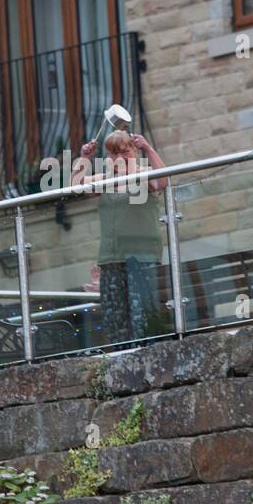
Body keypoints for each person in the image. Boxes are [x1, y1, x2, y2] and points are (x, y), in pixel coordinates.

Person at [71, 129, 168, 344]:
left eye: (124, 152)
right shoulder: (104, 180)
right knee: (115, 319)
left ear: (134, 151)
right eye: (113, 154)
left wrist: (149, 148)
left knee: (142, 315)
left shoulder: (144, 174)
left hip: (142, 256)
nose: (118, 158)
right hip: (111, 257)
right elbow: (75, 187)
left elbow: (162, 183)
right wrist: (84, 157)